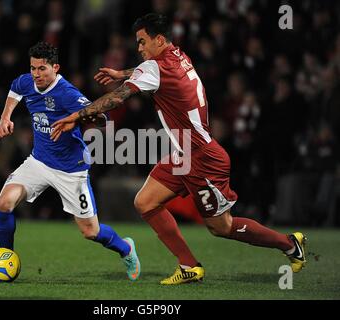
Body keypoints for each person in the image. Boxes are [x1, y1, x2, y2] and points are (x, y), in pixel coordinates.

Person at [50, 13, 306, 285]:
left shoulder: (154, 68)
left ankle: (289, 244)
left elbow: (117, 98)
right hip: (185, 152)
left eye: (142, 42)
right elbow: (149, 72)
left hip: (202, 157)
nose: (139, 49)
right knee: (145, 202)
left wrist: (77, 116)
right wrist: (122, 73)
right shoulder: (179, 56)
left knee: (222, 227)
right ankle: (188, 265)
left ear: (159, 40)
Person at [0, 41, 140, 281]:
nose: (36, 74)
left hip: (71, 169)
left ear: (56, 68)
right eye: (33, 68)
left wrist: (90, 117)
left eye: (42, 69)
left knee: (90, 231)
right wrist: (5, 117)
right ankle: (5, 257)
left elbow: (101, 116)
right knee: (4, 203)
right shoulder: (27, 81)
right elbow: (14, 89)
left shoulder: (67, 93)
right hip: (38, 161)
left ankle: (126, 248)